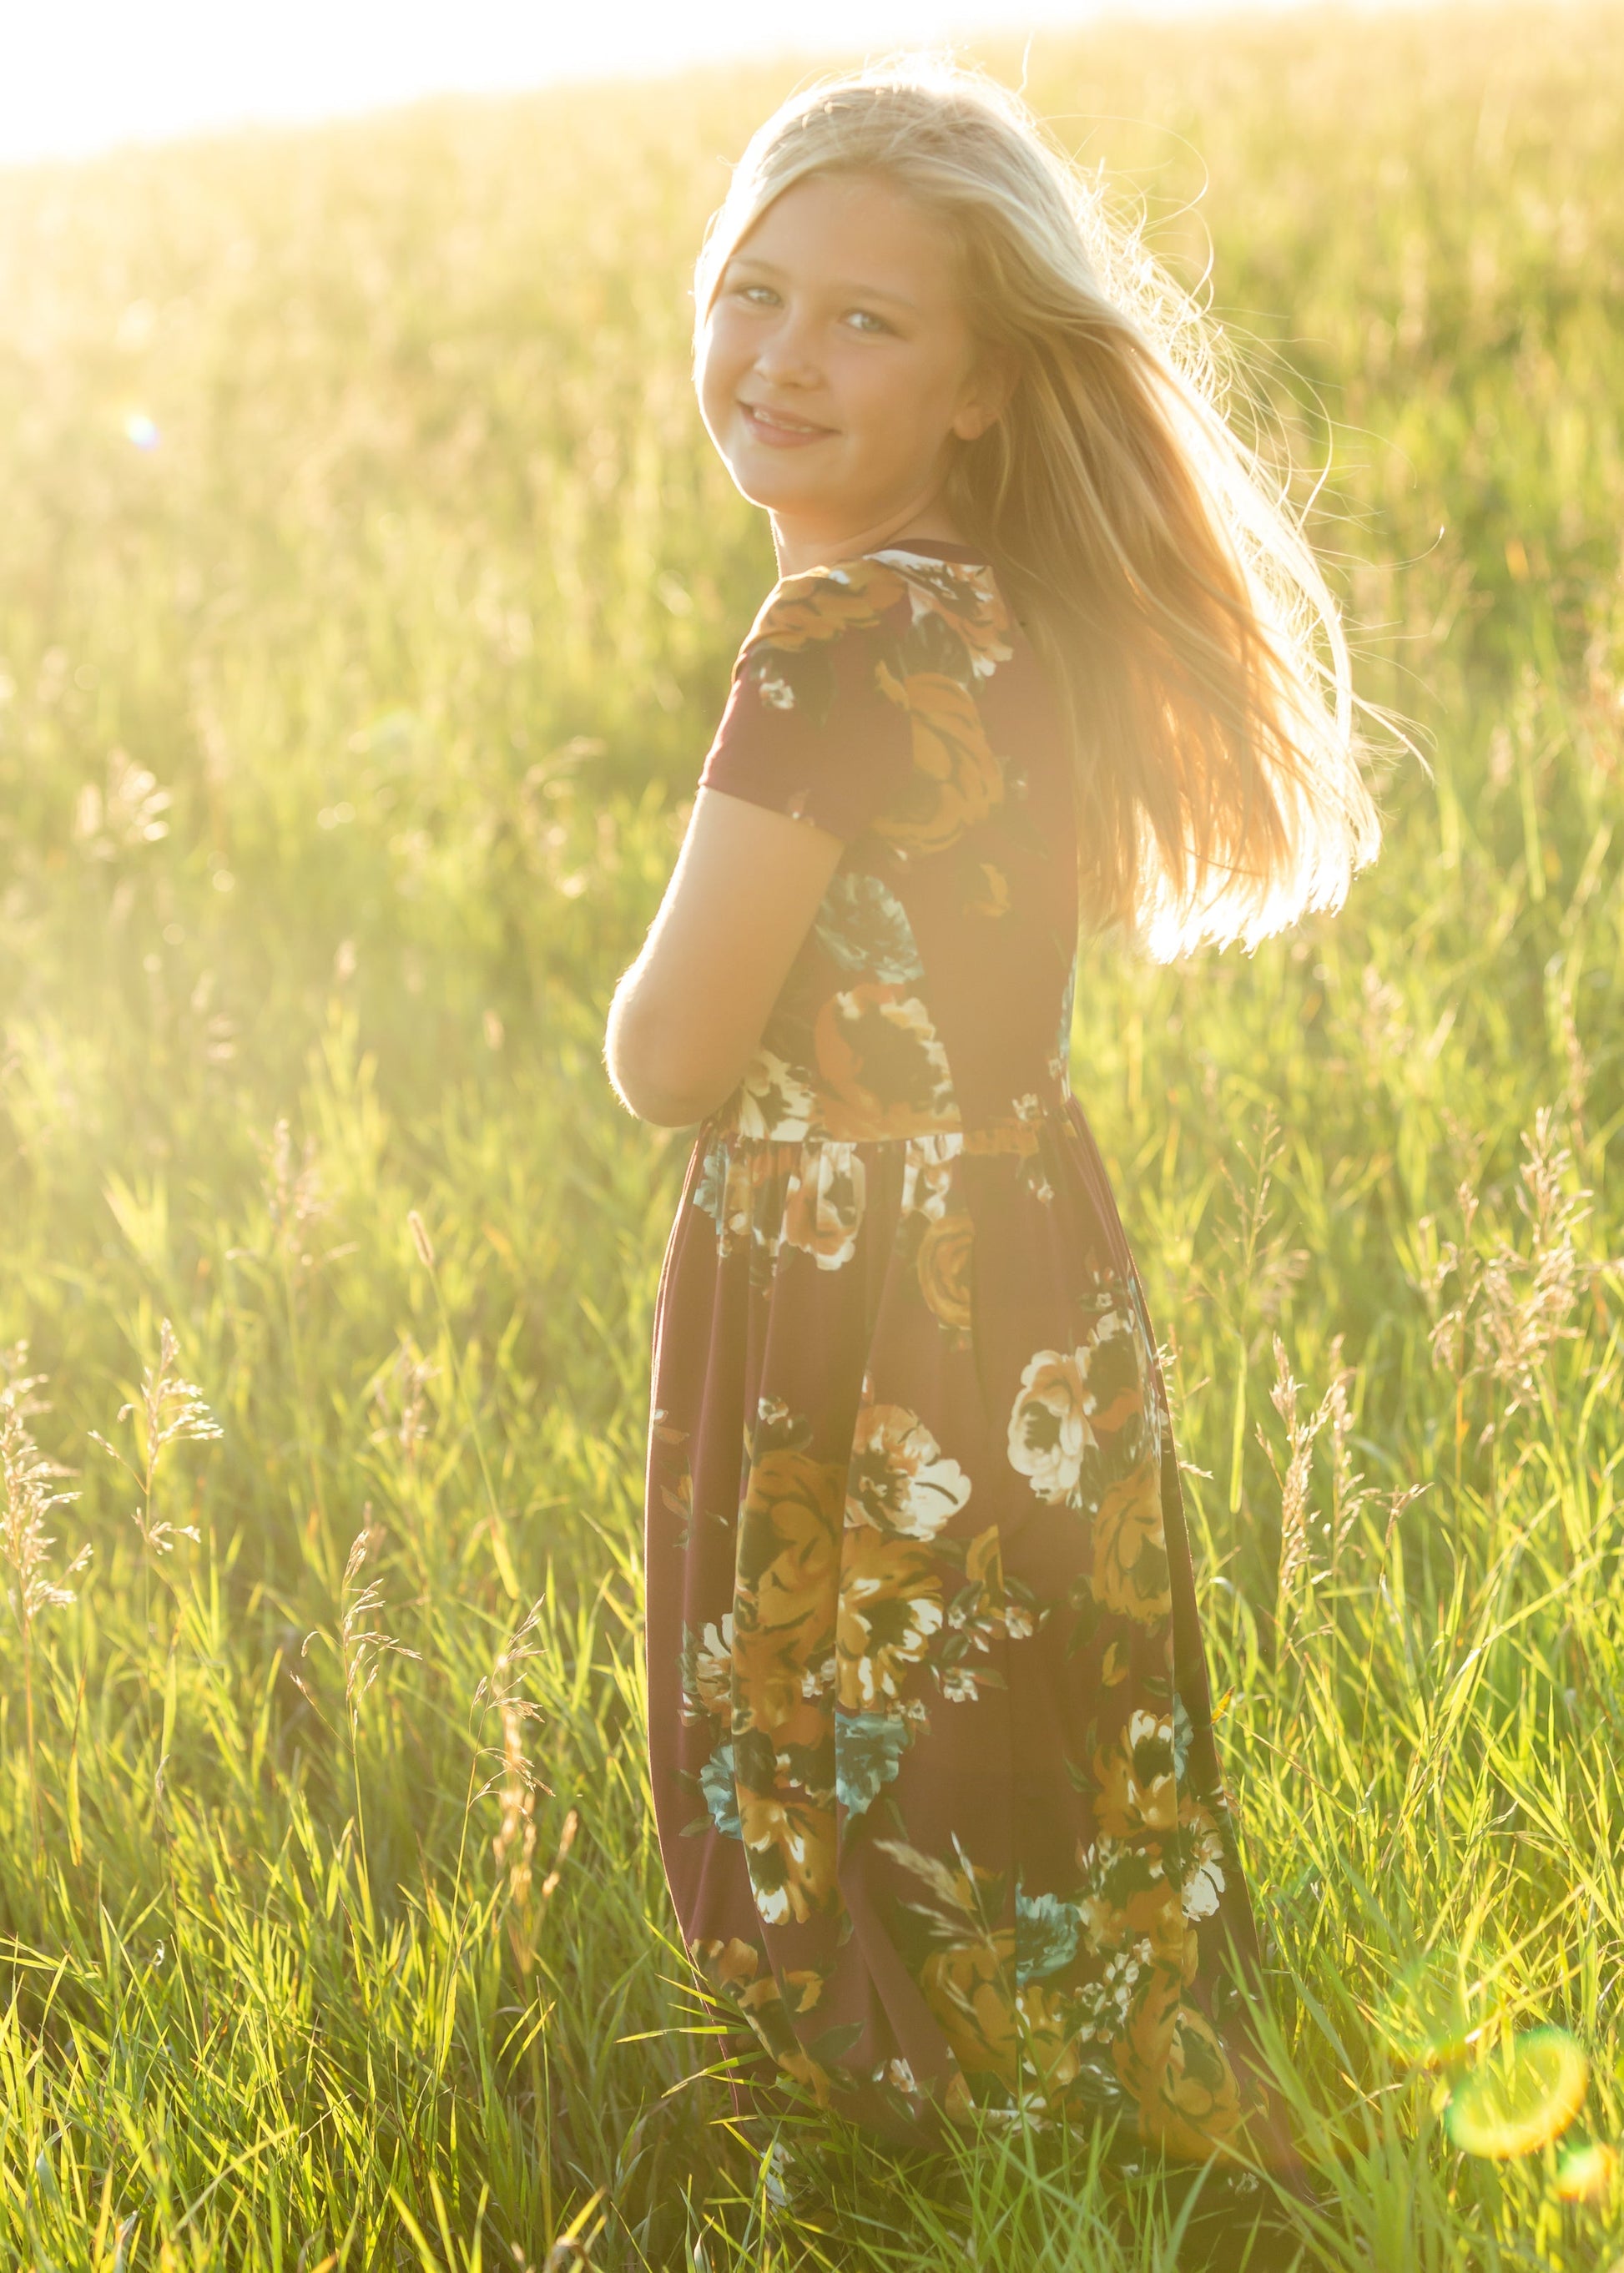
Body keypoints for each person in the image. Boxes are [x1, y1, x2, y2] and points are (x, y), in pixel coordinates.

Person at [605, 59, 1377, 2170]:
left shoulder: (830, 636)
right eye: (753, 292)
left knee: (842, 1724)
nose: (780, 355)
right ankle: (1097, 2095)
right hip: (1025, 1237)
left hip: (842, 1259)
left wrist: (630, 1010)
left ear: (976, 386)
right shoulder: (1007, 606)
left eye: (865, 320)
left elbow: (672, 1057)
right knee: (1020, 1687)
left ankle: (906, 2147)